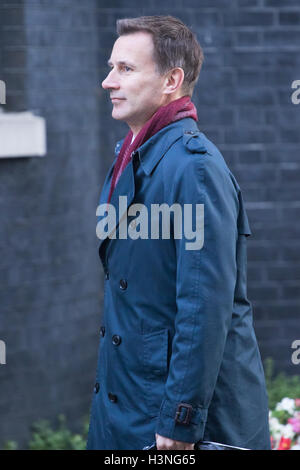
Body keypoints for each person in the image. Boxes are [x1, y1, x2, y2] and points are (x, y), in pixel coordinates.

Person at [86, 15, 271, 451]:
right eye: (111, 67)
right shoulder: (131, 155)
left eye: (125, 69)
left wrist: (180, 420)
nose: (107, 81)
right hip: (128, 406)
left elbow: (204, 305)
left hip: (177, 428)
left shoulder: (195, 168)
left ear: (172, 80)